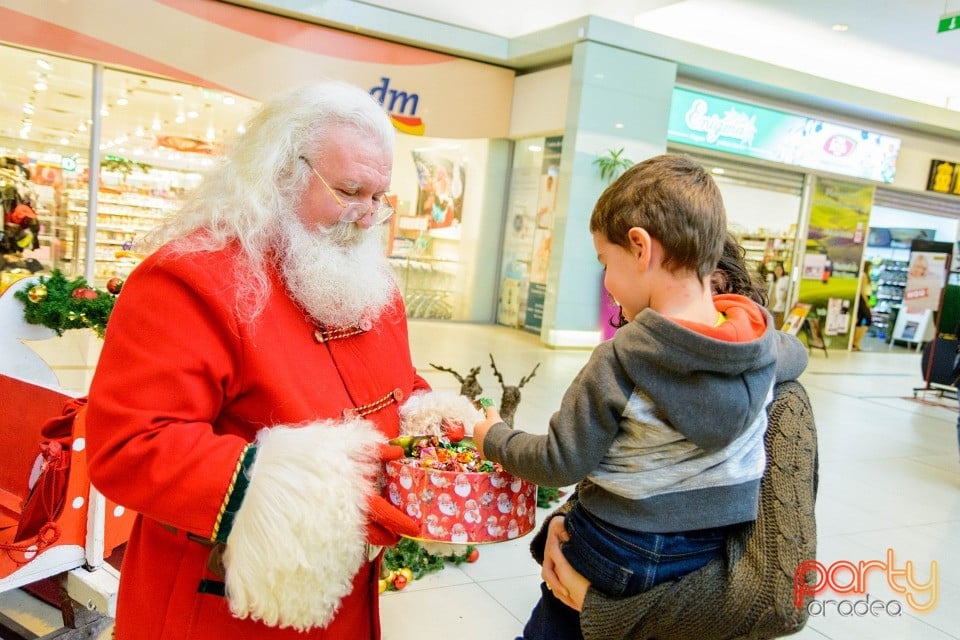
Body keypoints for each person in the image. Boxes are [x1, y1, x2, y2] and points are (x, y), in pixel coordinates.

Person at [83, 81, 470, 638]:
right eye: (349, 190)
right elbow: (131, 445)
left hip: (345, 599)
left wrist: (435, 424)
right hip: (224, 607)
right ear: (281, 170)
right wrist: (305, 486)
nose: (367, 216)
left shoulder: (370, 282)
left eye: (377, 197)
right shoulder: (191, 277)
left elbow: (395, 386)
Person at [473, 155, 803, 640]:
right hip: (705, 554)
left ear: (640, 247)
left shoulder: (621, 359)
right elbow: (795, 357)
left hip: (617, 548)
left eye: (606, 262)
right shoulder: (761, 347)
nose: (607, 281)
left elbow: (560, 461)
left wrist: (493, 437)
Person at [529, 233, 812, 640]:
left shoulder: (783, 403)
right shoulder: (636, 361)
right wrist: (567, 520)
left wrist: (600, 610)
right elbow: (628, 465)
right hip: (581, 585)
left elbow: (781, 601)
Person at [853, 260, 873, 350]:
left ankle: (855, 342)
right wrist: (866, 302)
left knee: (860, 319)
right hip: (863, 299)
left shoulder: (866, 276)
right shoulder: (864, 276)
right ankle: (856, 341)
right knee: (868, 319)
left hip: (865, 299)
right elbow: (862, 290)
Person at [769, 262, 790, 329]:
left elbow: (787, 291)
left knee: (777, 325)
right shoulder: (772, 280)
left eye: (779, 270)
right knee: (771, 324)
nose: (778, 271)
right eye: (776, 270)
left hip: (779, 306)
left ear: (782, 271)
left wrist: (784, 298)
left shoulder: (786, 280)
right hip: (770, 305)